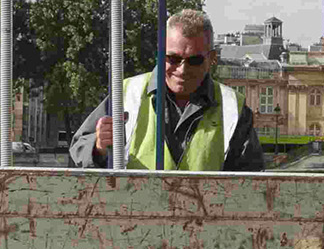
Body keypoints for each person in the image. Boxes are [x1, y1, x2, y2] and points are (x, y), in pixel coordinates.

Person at [68, 9, 264, 171]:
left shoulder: (233, 106)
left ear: (211, 58)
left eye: (194, 60)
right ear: (160, 53)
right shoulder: (127, 93)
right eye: (173, 58)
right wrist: (98, 147)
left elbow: (251, 180)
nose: (182, 69)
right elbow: (79, 149)